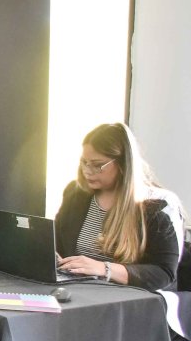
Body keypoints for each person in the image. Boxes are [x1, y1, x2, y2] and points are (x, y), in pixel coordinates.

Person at [54, 123, 181, 291]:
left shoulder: (153, 209)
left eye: (97, 165)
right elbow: (57, 243)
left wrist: (105, 269)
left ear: (123, 164)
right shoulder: (76, 194)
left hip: (123, 298)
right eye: (84, 162)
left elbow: (164, 273)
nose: (87, 171)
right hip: (78, 290)